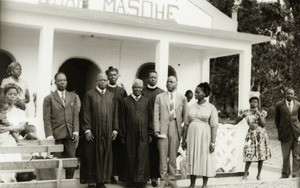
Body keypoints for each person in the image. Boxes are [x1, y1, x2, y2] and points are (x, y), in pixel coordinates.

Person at [80, 73, 119, 188]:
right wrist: (87, 129)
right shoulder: (89, 95)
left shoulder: (111, 95)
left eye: (105, 80)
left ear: (107, 81)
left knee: (105, 154)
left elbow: (115, 113)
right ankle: (91, 181)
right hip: (94, 131)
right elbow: (85, 112)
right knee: (92, 155)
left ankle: (101, 181)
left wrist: (115, 129)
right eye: (101, 80)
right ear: (96, 81)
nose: (103, 82)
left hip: (107, 131)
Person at [43, 72, 79, 179]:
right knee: (54, 162)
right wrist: (49, 135)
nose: (62, 82)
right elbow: (46, 118)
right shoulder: (49, 98)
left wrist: (76, 131)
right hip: (56, 134)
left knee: (71, 161)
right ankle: (53, 183)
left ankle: (69, 182)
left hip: (70, 134)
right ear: (55, 82)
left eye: (64, 80)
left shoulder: (73, 96)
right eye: (60, 80)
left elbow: (75, 116)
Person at [181, 83, 218, 188]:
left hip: (205, 136)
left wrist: (213, 142)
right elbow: (186, 125)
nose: (195, 94)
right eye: (195, 91)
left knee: (204, 157)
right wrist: (184, 140)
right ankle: (192, 183)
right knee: (192, 157)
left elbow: (214, 126)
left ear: (205, 93)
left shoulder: (211, 108)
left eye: (198, 92)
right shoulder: (191, 107)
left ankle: (204, 184)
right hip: (192, 136)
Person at [154, 76, 188, 188]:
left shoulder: (182, 98)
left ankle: (172, 179)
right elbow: (156, 115)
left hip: (175, 127)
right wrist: (157, 130)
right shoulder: (159, 97)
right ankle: (163, 179)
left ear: (176, 83)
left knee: (173, 155)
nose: (169, 83)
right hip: (163, 128)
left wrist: (183, 133)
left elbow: (185, 116)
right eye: (167, 81)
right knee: (162, 156)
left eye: (171, 82)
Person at [121, 79, 152, 188]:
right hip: (129, 134)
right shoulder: (125, 101)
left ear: (142, 88)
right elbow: (122, 119)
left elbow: (150, 118)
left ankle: (141, 181)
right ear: (132, 88)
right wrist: (123, 134)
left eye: (140, 87)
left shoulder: (146, 101)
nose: (138, 89)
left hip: (143, 134)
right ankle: (130, 182)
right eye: (136, 87)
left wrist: (149, 133)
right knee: (130, 156)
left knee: (142, 157)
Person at [234, 94, 271, 181]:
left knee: (261, 155)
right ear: (250, 103)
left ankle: (258, 175)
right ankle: (245, 175)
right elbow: (236, 121)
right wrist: (222, 121)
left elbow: (263, 124)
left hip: (261, 135)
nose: (255, 103)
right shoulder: (246, 112)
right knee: (249, 154)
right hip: (251, 135)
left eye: (256, 102)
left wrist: (258, 113)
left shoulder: (262, 113)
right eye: (253, 102)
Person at [105, 66, 127, 184]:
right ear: (108, 76)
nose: (113, 77)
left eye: (115, 75)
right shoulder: (105, 89)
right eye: (111, 75)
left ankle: (121, 175)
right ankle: (110, 175)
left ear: (118, 76)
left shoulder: (122, 91)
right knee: (110, 150)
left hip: (120, 124)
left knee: (119, 151)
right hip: (108, 123)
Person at [0, 84, 26, 183]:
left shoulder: (20, 111)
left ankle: (10, 180)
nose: (12, 96)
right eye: (10, 94)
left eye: (15, 94)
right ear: (4, 94)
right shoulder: (1, 108)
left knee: (11, 157)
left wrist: (8, 128)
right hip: (1, 139)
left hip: (13, 139)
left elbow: (22, 127)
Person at [142, 70, 164, 187]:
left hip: (156, 128)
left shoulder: (161, 93)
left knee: (155, 154)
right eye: (151, 77)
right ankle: (145, 177)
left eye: (155, 77)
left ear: (157, 79)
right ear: (147, 79)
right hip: (144, 128)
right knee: (144, 154)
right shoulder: (142, 92)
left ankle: (155, 178)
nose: (153, 79)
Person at [275, 88, 300, 178]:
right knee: (285, 156)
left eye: (291, 94)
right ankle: (285, 174)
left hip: (296, 134)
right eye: (288, 94)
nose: (289, 95)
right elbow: (277, 120)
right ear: (285, 94)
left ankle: (296, 175)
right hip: (285, 134)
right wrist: (281, 130)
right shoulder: (279, 105)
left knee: (297, 156)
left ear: (294, 95)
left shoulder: (298, 104)